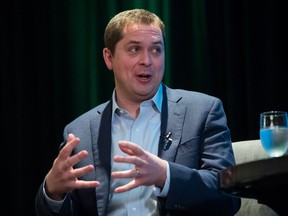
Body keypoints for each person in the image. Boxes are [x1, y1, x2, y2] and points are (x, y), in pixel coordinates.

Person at [35, 8, 240, 216]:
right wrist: (53, 192)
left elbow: (228, 197)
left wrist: (165, 176)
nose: (147, 60)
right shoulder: (79, 131)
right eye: (134, 49)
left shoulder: (203, 111)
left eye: (156, 50)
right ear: (109, 58)